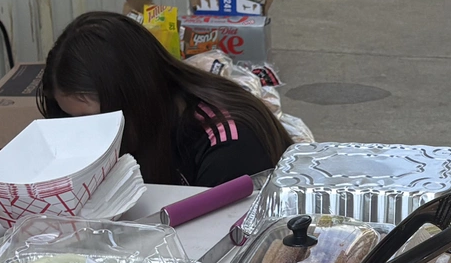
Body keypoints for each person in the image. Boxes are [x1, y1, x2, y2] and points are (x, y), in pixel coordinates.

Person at [38, 10, 292, 186]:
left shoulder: (227, 144)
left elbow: (223, 239)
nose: (85, 135)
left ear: (133, 94)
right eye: (73, 121)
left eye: (91, 120)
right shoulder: (150, 121)